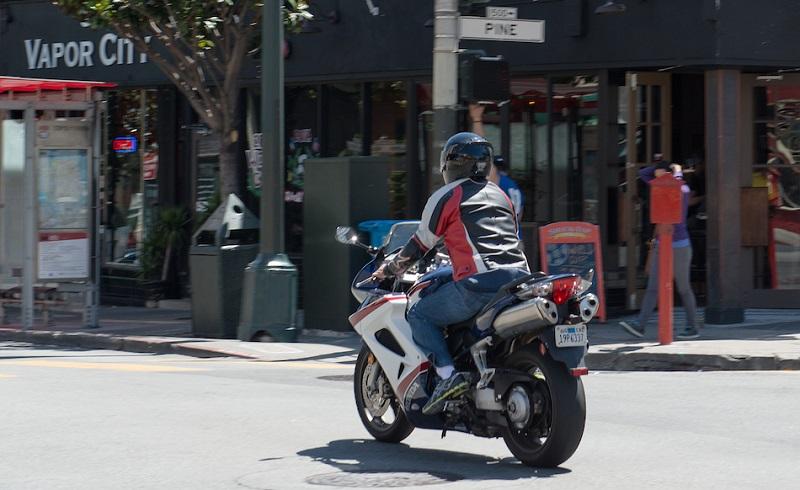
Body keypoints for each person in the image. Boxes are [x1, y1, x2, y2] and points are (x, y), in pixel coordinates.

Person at [371, 132, 529, 415]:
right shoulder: (501, 195)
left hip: (479, 283)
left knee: (419, 313)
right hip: (519, 279)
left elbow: (419, 245)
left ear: (450, 164)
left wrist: (390, 268)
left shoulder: (447, 195)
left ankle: (447, 375)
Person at [620, 160, 700, 340]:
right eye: (658, 177)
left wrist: (676, 171)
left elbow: (677, 186)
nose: (661, 180)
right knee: (652, 287)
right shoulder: (659, 185)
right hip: (661, 242)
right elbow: (643, 174)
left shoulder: (682, 189)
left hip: (679, 244)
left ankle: (692, 326)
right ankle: (640, 325)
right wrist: (661, 169)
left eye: (666, 176)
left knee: (683, 287)